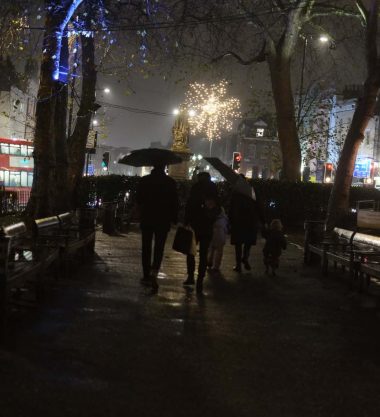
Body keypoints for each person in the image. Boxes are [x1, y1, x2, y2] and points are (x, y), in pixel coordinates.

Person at [136, 164, 179, 291]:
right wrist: (174, 218)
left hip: (147, 217)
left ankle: (146, 274)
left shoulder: (145, 181)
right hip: (163, 219)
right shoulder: (170, 182)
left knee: (146, 246)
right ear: (165, 167)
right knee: (159, 247)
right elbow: (174, 202)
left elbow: (139, 199)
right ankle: (154, 271)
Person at [184, 172, 219, 293]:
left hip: (195, 225)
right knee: (204, 254)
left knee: (191, 252)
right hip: (207, 226)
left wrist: (186, 221)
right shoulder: (213, 189)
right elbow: (217, 208)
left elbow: (189, 205)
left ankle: (190, 276)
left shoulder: (196, 188)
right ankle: (200, 279)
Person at [228, 175, 264, 272]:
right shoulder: (252, 191)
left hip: (238, 221)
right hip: (251, 221)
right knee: (248, 242)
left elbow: (231, 209)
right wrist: (263, 220)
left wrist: (230, 221)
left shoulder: (236, 193)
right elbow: (259, 206)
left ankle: (238, 265)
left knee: (238, 244)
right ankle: (245, 258)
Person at [207, 198, 229, 273]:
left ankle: (209, 260)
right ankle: (216, 265)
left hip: (214, 229)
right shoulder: (222, 214)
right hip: (220, 231)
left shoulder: (211, 209)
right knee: (219, 249)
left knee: (212, 247)